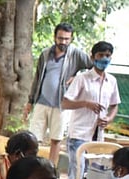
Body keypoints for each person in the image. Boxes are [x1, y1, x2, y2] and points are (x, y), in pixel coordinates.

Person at [24, 22, 92, 166]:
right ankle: (31, 167)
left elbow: (91, 67)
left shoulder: (76, 54)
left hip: (61, 104)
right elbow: (37, 78)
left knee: (56, 139)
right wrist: (30, 101)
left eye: (67, 39)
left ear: (71, 39)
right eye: (61, 38)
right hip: (42, 101)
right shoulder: (45, 54)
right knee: (33, 138)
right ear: (55, 38)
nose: (63, 42)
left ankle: (51, 170)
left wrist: (77, 76)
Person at [62, 41, 120, 179]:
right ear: (93, 57)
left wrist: (109, 118)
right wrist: (86, 103)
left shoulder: (111, 81)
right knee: (76, 174)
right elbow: (65, 103)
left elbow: (114, 105)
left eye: (107, 56)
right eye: (101, 55)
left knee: (93, 175)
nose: (104, 59)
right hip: (79, 134)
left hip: (98, 136)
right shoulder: (82, 78)